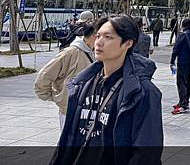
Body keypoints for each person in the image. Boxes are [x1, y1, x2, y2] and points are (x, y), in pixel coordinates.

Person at [51, 16, 163, 165]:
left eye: (108, 37)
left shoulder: (142, 92)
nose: (99, 42)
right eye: (98, 36)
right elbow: (69, 138)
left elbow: (147, 153)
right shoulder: (84, 83)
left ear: (128, 43)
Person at [35, 21, 96, 128]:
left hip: (88, 110)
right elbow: (45, 74)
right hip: (70, 109)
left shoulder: (95, 52)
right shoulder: (71, 53)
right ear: (94, 35)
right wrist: (58, 97)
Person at [170, 18, 190, 114]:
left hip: (182, 62)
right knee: (188, 82)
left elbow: (176, 49)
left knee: (181, 83)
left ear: (183, 25)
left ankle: (183, 104)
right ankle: (185, 101)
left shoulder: (182, 35)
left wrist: (172, 61)